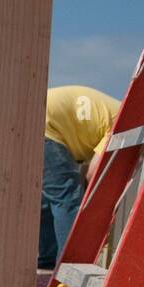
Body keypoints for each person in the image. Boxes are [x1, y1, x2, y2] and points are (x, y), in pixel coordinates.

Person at [39, 85, 122, 270]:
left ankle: (48, 260)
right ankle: (70, 265)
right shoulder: (125, 123)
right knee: (67, 197)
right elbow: (94, 173)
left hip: (40, 118)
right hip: (47, 125)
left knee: (49, 201)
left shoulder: (115, 113)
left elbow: (89, 172)